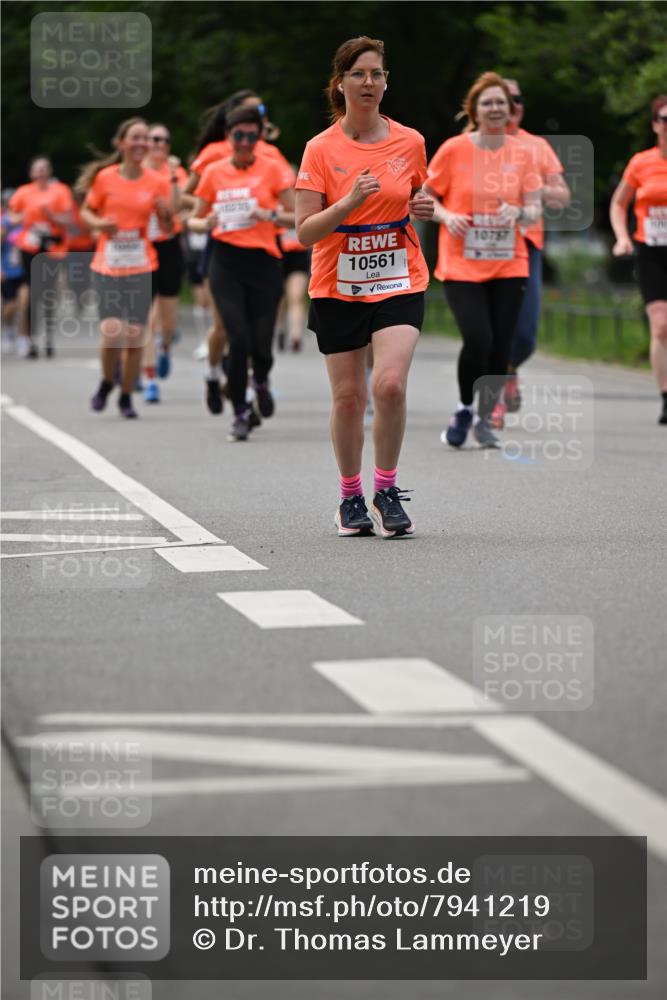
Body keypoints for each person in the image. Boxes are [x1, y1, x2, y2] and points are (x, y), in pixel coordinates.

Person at [295, 36, 433, 538]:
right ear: (341, 84)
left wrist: (425, 207)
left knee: (389, 384)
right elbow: (305, 231)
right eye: (359, 74)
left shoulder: (410, 141)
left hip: (399, 275)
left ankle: (386, 489)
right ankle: (350, 496)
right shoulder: (320, 149)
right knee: (350, 398)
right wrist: (348, 202)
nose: (370, 83)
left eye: (377, 74)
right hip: (337, 283)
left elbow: (420, 192)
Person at [424, 72, 541, 449]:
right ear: (474, 109)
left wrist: (519, 214)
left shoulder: (523, 153)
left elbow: (536, 205)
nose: (495, 108)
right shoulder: (454, 150)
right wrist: (447, 217)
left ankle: (484, 416)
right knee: (478, 339)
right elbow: (424, 197)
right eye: (487, 102)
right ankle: (463, 407)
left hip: (510, 261)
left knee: (501, 346)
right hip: (462, 263)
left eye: (501, 103)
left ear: (510, 112)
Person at [190, 105, 295, 440]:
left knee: (262, 346)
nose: (246, 142)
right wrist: (203, 223)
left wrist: (270, 214)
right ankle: (239, 412)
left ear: (259, 137)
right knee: (238, 338)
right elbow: (192, 218)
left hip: (264, 262)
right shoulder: (214, 172)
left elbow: (300, 218)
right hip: (226, 261)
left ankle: (260, 382)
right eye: (239, 135)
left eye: (252, 135)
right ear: (229, 137)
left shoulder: (274, 169)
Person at [77, 118, 173, 418]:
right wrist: (99, 224)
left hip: (141, 265)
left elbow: (168, 226)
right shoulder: (105, 178)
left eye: (146, 138)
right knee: (111, 330)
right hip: (108, 264)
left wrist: (166, 213)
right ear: (121, 143)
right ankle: (107, 381)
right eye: (136, 137)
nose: (142, 143)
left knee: (134, 335)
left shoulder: (157, 181)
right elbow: (86, 211)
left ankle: (127, 395)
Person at [491, 78, 570, 428]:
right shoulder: (472, 145)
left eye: (517, 99)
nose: (511, 105)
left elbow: (562, 195)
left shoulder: (537, 146)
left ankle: (508, 369)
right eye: (503, 99)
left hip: (525, 245)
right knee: (487, 327)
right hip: (481, 249)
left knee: (524, 334)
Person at [610, 94, 667, 425]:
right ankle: (665, 395)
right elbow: (619, 204)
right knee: (661, 326)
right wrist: (621, 237)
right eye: (665, 119)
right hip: (651, 250)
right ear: (655, 125)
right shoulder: (641, 162)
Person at [8, 157, 73, 357]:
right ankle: (27, 338)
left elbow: (69, 219)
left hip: (52, 246)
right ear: (32, 173)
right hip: (30, 244)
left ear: (50, 171)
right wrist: (23, 217)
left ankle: (48, 336)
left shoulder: (60, 191)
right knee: (30, 288)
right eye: (38, 169)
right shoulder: (24, 192)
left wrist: (51, 216)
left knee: (49, 292)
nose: (42, 172)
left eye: (45, 168)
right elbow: (12, 217)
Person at [142, 123, 187, 402]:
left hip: (169, 247)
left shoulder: (176, 173)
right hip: (142, 248)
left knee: (167, 323)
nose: (159, 144)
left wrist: (171, 176)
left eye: (164, 140)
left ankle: (165, 346)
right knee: (147, 318)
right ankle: (150, 381)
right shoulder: (135, 172)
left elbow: (177, 208)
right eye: (154, 139)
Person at [275, 220, 310, 352]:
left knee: (296, 296)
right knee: (279, 298)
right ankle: (280, 329)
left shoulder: (304, 200)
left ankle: (296, 336)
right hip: (276, 251)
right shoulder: (273, 200)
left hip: (298, 253)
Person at [1, 189, 25, 353]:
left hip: (24, 269)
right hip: (7, 270)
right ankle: (9, 331)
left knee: (24, 304)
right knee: (10, 307)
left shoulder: (27, 221)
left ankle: (24, 338)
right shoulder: (4, 223)